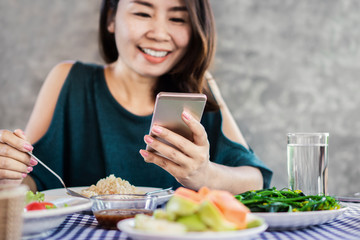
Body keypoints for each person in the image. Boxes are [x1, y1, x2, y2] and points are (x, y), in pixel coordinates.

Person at [0, 0, 272, 194]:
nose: (158, 33)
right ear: (111, 18)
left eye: (177, 18)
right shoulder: (69, 80)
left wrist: (203, 174)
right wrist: (9, 172)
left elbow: (255, 179)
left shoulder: (198, 89)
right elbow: (31, 180)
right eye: (143, 13)